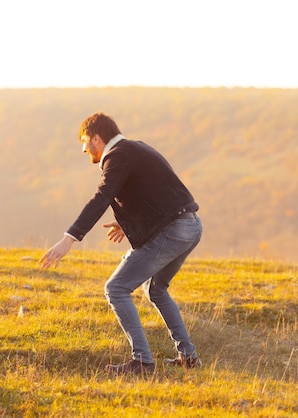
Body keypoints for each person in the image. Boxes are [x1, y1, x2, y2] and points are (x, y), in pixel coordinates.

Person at [40, 112, 202, 376]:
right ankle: (188, 357)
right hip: (191, 226)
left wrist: (68, 239)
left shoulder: (118, 156)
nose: (83, 149)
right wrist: (128, 224)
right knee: (156, 289)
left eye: (84, 142)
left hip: (174, 230)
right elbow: (158, 191)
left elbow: (101, 198)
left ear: (96, 138)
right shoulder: (136, 149)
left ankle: (142, 362)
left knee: (115, 288)